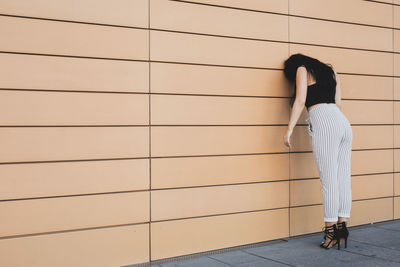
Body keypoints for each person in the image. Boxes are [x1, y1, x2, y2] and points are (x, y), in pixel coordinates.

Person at [283, 53, 352, 250]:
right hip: (343, 123)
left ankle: (330, 234)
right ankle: (342, 230)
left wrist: (289, 129)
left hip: (323, 121)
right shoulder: (332, 71)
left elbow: (300, 100)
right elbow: (338, 103)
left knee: (329, 181)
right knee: (343, 178)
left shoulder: (301, 69)